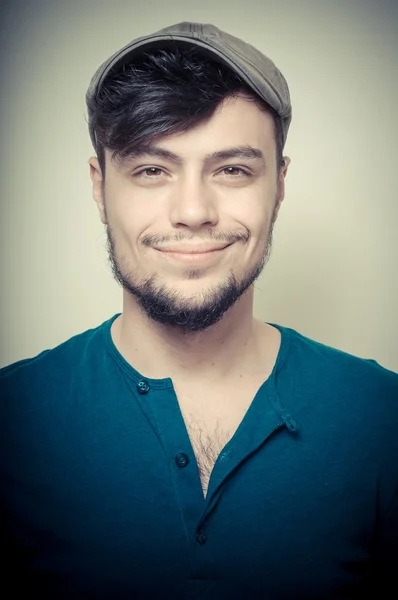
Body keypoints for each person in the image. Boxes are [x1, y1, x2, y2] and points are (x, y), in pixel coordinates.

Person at [1, 21, 397, 600]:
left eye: (233, 169)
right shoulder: (13, 420)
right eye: (151, 169)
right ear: (99, 185)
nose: (192, 211)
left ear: (279, 185)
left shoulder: (384, 417)